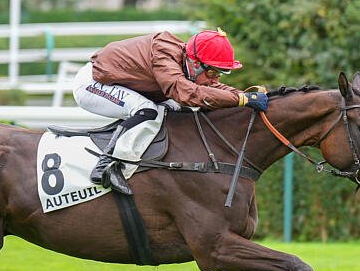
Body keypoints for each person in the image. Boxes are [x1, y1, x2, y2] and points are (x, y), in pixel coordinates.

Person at [72, 28, 268, 195]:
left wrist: (243, 96)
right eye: (212, 72)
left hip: (123, 83)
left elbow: (211, 88)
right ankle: (106, 165)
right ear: (196, 63)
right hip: (93, 83)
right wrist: (241, 99)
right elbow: (187, 93)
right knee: (147, 111)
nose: (214, 78)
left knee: (177, 110)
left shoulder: (188, 62)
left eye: (219, 73)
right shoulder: (164, 56)